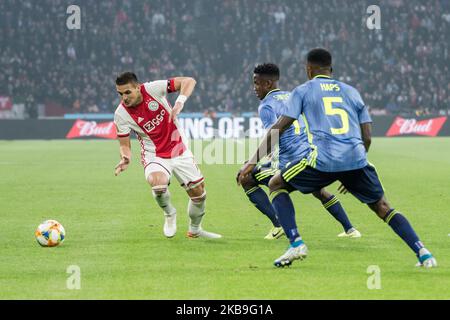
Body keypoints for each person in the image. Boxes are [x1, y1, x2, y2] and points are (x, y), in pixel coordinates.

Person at [237, 49, 436, 268]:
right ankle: (423, 253)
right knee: (382, 207)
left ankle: (296, 243)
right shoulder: (352, 92)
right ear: (330, 69)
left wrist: (252, 161)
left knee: (276, 184)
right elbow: (367, 137)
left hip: (323, 159)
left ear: (308, 69)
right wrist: (352, 167)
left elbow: (279, 128)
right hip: (356, 159)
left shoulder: (303, 90)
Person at [239, 63, 361, 240]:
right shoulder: (292, 96)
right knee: (319, 190)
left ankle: (278, 225)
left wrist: (251, 163)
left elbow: (273, 135)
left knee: (246, 178)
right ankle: (350, 229)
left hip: (287, 163)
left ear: (268, 84)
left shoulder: (266, 106)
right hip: (308, 156)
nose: (254, 88)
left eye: (257, 83)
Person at [113, 72, 221, 239]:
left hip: (179, 149)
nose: (124, 98)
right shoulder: (121, 114)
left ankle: (195, 229)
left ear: (138, 87)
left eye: (127, 92)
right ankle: (170, 214)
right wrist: (125, 157)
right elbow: (124, 144)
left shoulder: (152, 89)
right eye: (120, 94)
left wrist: (179, 103)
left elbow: (189, 81)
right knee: (158, 183)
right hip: (154, 155)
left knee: (199, 195)